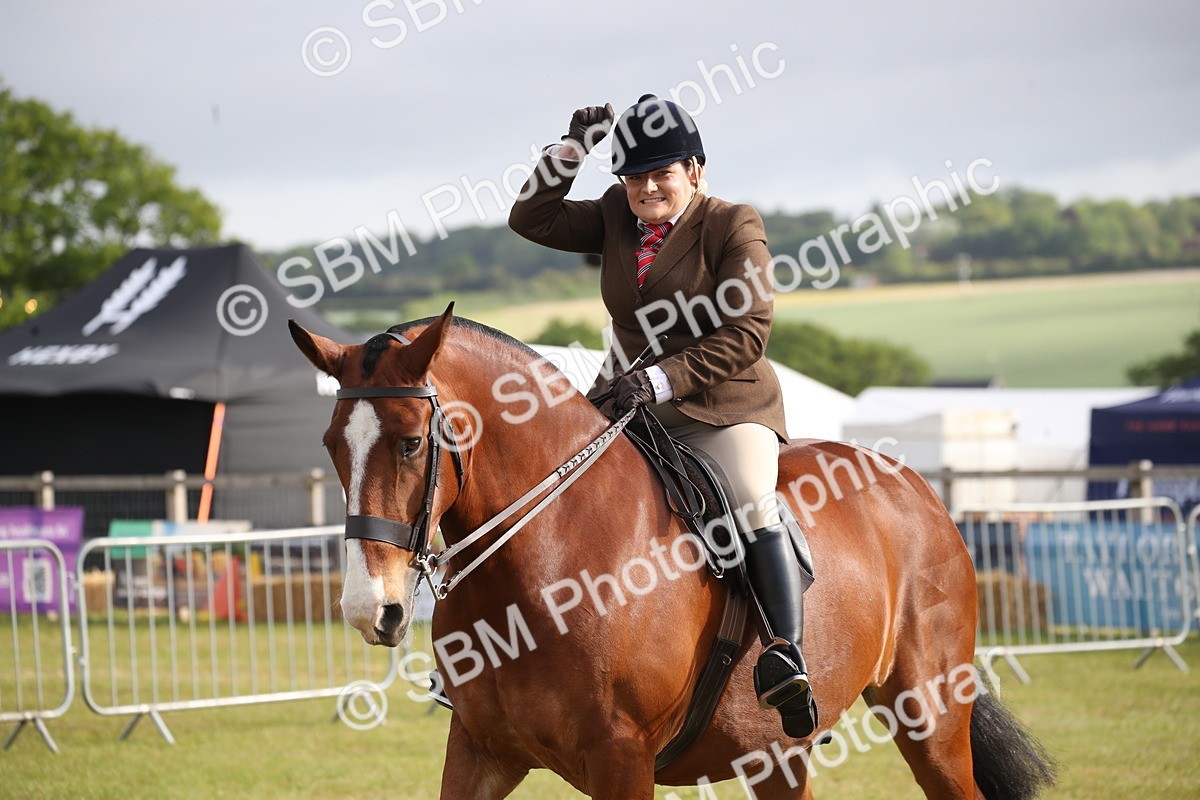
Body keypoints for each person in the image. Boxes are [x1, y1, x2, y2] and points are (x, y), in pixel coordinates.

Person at [507, 94, 816, 738]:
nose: (646, 188)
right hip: (627, 405)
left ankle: (786, 655)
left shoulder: (732, 224)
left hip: (721, 405)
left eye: (660, 174)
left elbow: (748, 334)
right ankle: (512, 660)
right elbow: (530, 219)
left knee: (750, 498)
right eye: (633, 177)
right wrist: (572, 151)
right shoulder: (616, 215)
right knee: (547, 491)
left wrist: (660, 379)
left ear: (694, 170)